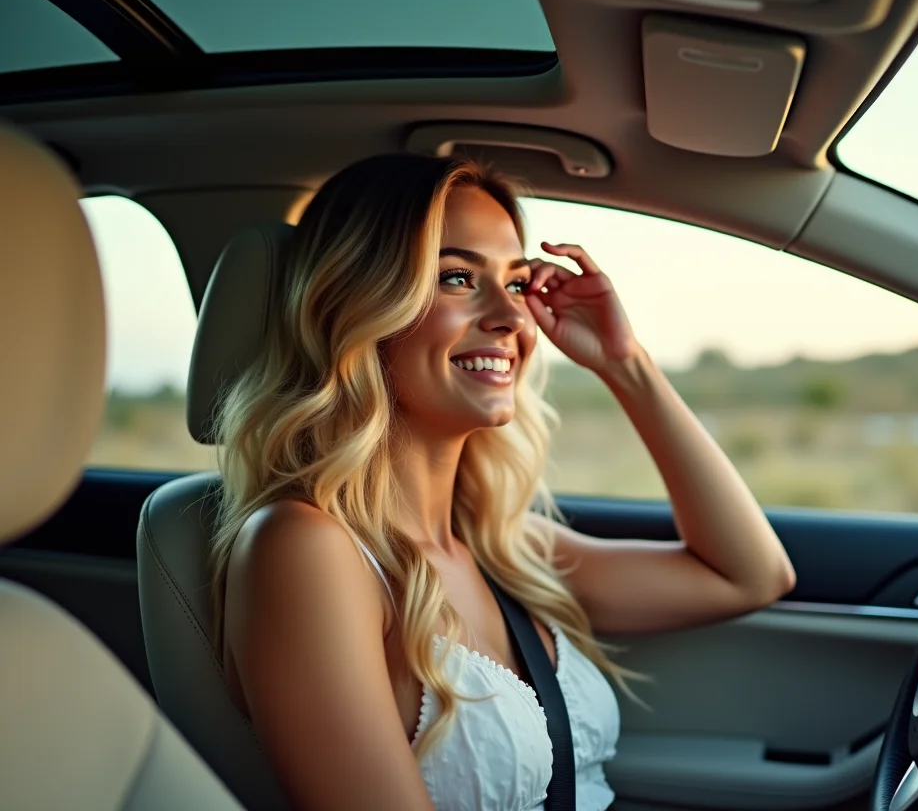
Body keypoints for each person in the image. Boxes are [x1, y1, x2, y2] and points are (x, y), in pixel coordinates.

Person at [209, 153, 796, 811]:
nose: (512, 320)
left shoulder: (501, 546)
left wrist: (626, 365)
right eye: (458, 277)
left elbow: (751, 575)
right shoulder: (305, 549)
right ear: (359, 303)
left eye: (516, 284)